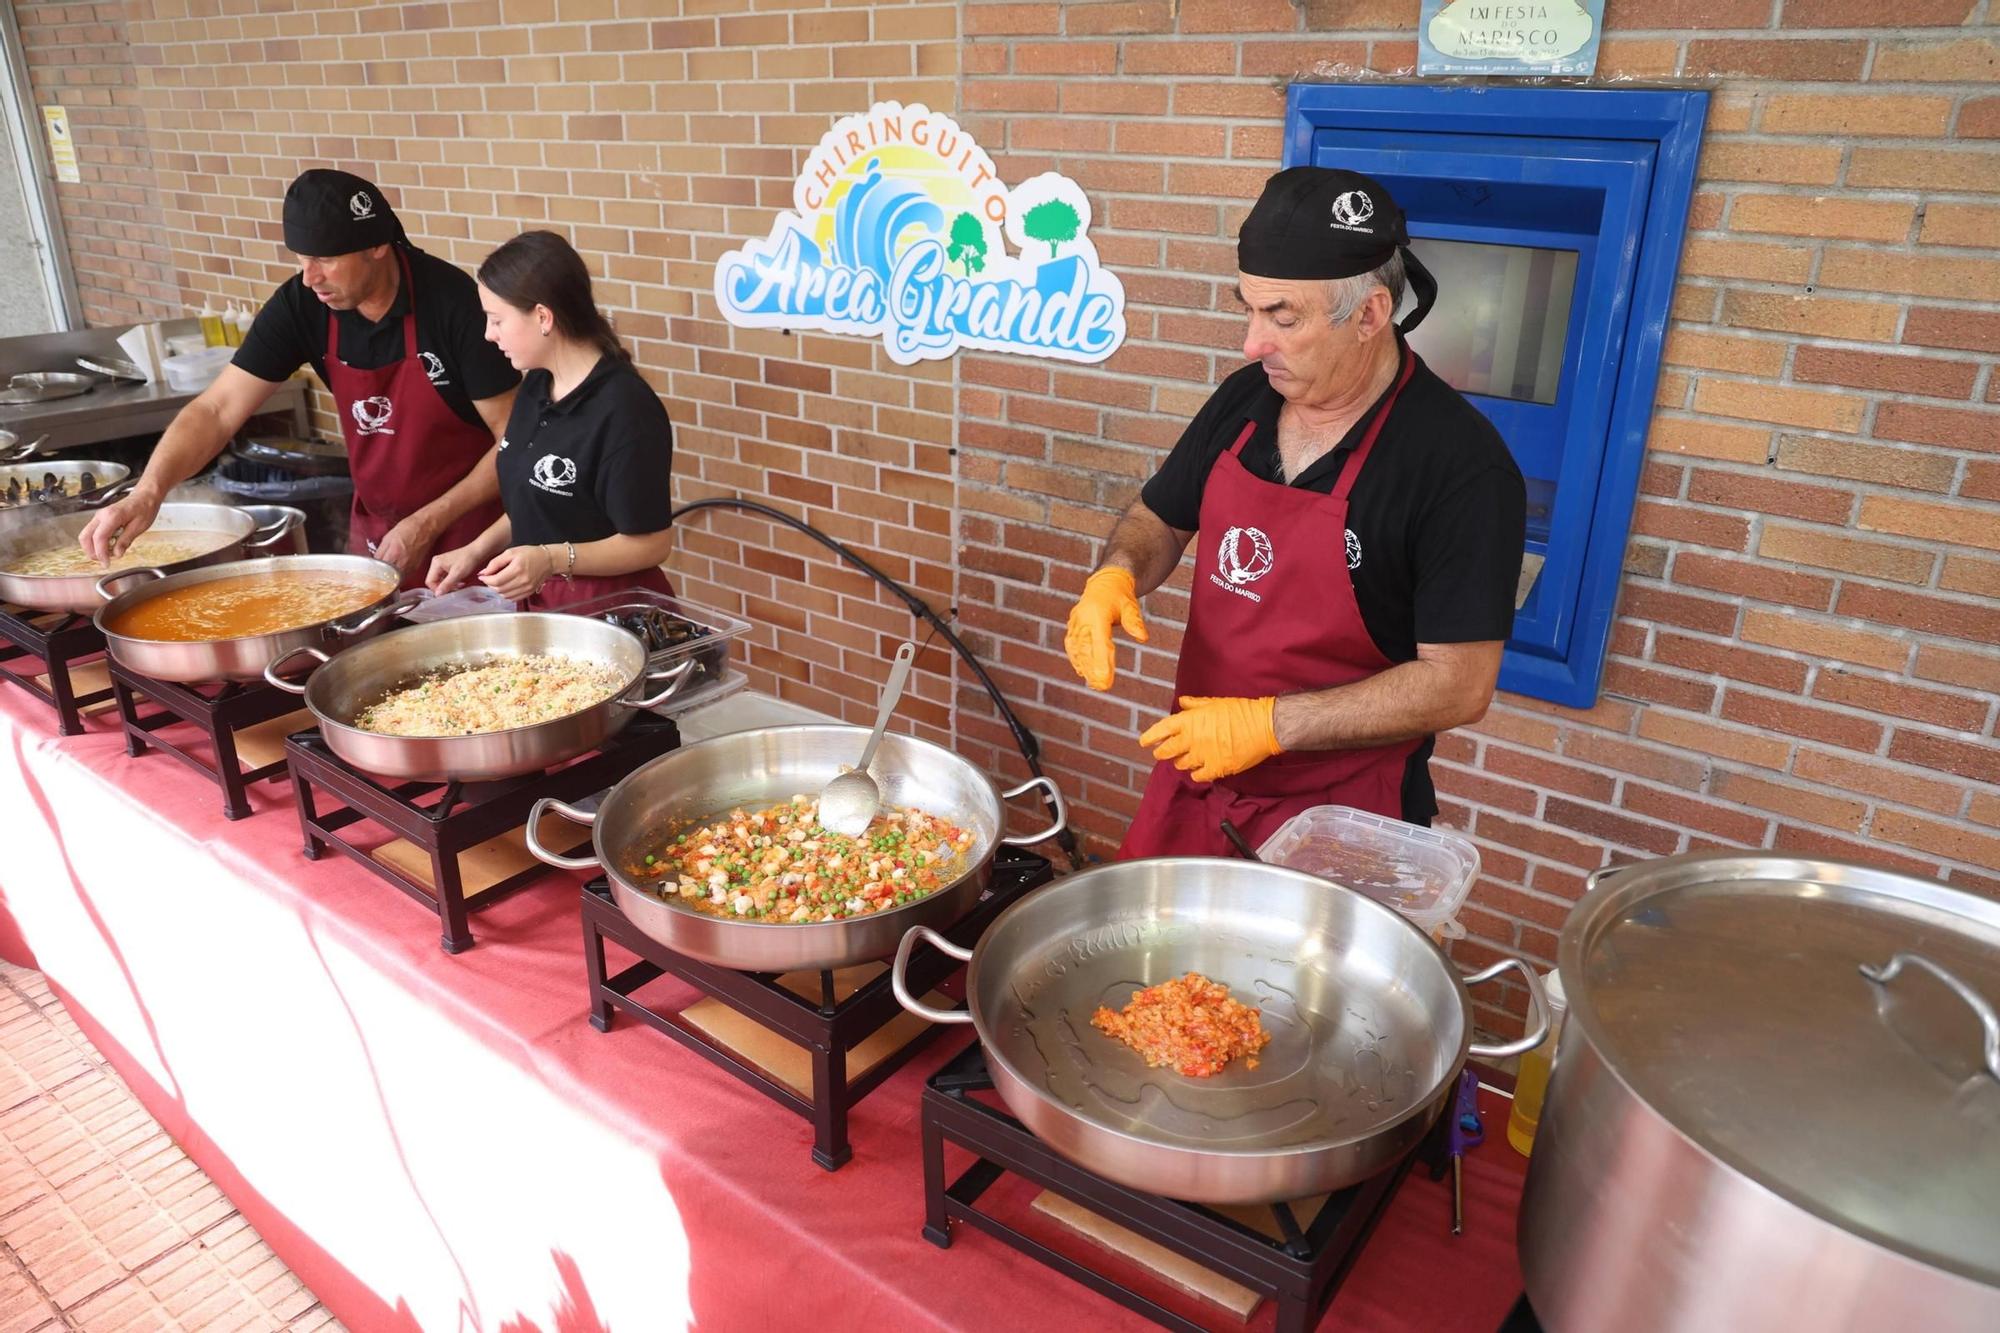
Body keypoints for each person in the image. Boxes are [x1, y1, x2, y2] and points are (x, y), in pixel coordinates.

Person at [1064, 166, 1526, 859]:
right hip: (1200, 782)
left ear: (1370, 314)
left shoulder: (1460, 467)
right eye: (1247, 309)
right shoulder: (1244, 401)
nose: (1252, 343)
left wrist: (1269, 725)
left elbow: (1459, 684)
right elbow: (1158, 517)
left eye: (1282, 317)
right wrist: (1116, 574)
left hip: (1344, 817)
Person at [81, 169, 519, 586]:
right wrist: (149, 492)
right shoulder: (302, 304)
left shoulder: (455, 307)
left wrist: (429, 521)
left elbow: (514, 439)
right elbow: (216, 410)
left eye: (325, 259)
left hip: (476, 536)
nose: (311, 277)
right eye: (302, 259)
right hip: (378, 527)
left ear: (377, 246)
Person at [425, 230, 674, 611]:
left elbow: (652, 543)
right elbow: (535, 500)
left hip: (612, 611)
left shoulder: (625, 409)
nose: (488, 335)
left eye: (496, 320)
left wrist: (552, 559)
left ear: (543, 316)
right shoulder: (537, 385)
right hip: (544, 608)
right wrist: (474, 551)